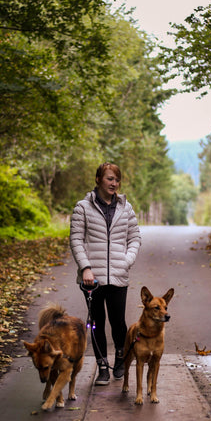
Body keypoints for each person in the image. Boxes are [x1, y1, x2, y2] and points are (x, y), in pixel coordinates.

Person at [70, 162, 141, 386]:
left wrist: (126, 261)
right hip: (92, 278)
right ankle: (102, 367)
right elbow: (76, 240)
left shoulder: (126, 208)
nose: (114, 183)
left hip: (119, 276)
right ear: (99, 180)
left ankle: (120, 359)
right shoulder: (82, 207)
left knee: (118, 322)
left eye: (117, 179)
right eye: (110, 179)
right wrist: (86, 268)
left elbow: (135, 238)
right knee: (96, 322)